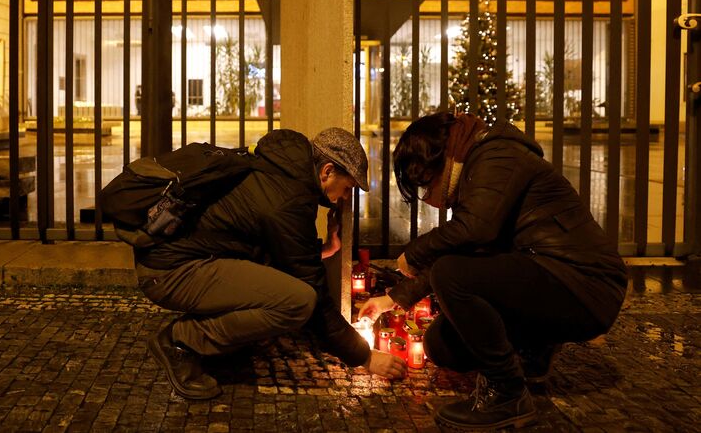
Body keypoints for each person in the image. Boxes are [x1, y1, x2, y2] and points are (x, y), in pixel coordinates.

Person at [360, 112, 627, 431]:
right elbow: (470, 247)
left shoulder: (497, 154)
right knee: (442, 345)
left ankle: (507, 394)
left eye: (426, 184)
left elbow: (475, 231)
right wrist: (395, 299)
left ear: (439, 159)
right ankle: (532, 349)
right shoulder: (475, 167)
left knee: (451, 274)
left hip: (582, 283)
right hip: (543, 276)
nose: (430, 200)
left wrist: (415, 252)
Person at [135, 127, 407, 399]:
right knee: (298, 302)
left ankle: (216, 338)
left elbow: (281, 254)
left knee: (282, 287)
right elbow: (315, 296)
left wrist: (325, 249)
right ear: (326, 172)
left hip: (182, 259)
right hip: (170, 271)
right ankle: (182, 341)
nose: (347, 197)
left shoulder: (280, 172)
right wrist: (365, 357)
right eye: (348, 188)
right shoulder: (289, 200)